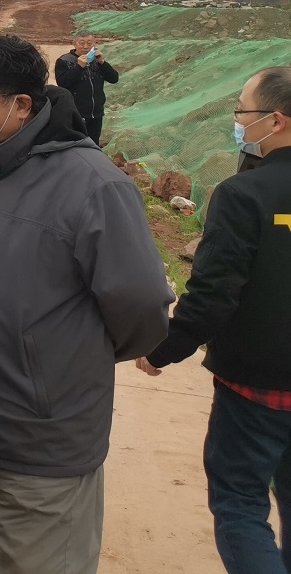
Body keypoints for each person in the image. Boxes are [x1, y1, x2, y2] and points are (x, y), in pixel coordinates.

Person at [0, 34, 173, 574]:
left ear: (20, 105)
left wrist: (62, 358)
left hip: (38, 446)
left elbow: (141, 305)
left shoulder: (94, 185)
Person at [137, 66, 291, 572]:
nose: (237, 122)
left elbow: (214, 293)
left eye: (242, 112)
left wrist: (163, 347)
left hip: (257, 389)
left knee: (240, 502)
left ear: (276, 120)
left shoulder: (244, 195)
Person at [52, 34, 119, 146]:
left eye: (89, 43)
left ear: (94, 44)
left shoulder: (97, 61)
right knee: (76, 143)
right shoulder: (64, 60)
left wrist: (102, 62)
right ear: (75, 44)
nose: (85, 46)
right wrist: (79, 67)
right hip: (75, 112)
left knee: (93, 143)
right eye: (82, 43)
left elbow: (114, 79)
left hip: (96, 112)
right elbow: (63, 83)